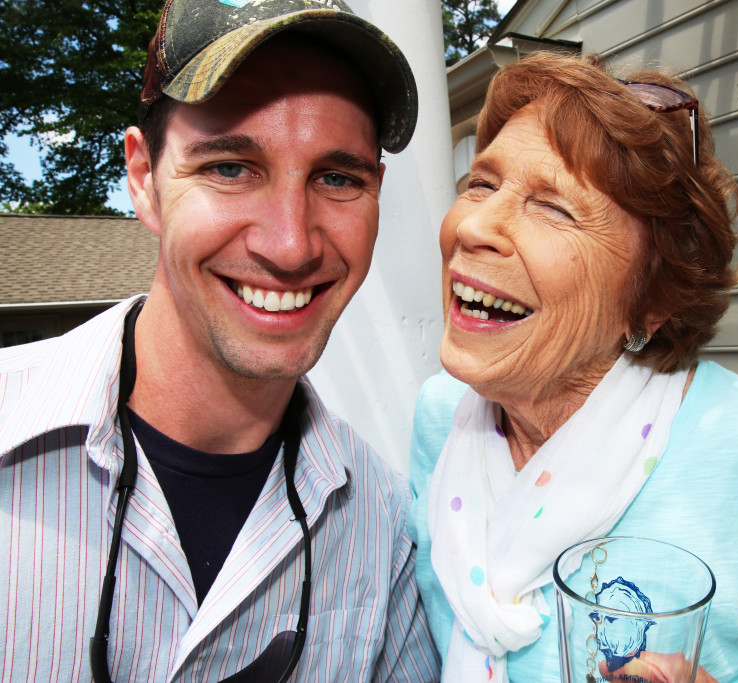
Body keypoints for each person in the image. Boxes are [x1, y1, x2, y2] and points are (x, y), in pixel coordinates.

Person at [407, 52, 738, 683]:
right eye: (481, 184)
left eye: (553, 207)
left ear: (651, 300)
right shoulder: (438, 416)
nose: (474, 226)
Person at [0, 0, 440, 680]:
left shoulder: (386, 532)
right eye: (230, 167)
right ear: (144, 178)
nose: (291, 244)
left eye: (337, 177)